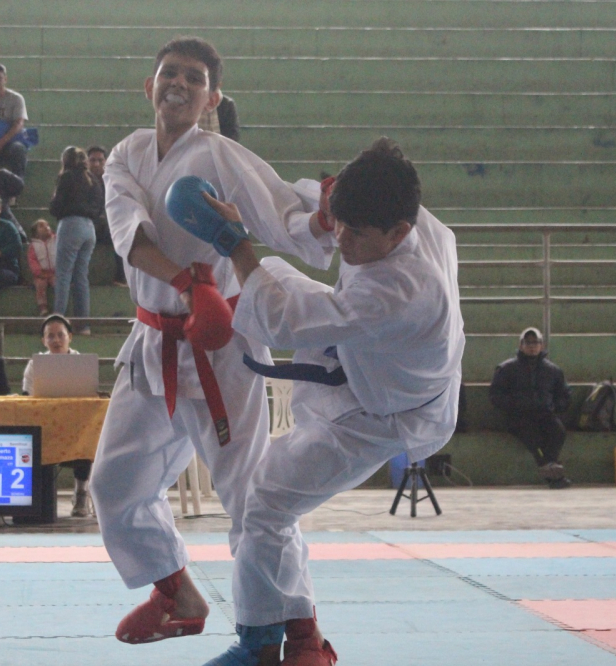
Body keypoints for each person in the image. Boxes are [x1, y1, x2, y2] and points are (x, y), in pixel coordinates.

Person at [173, 138, 465, 665]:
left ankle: (261, 645)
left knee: (265, 503)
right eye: (341, 222)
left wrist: (234, 242)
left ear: (401, 232)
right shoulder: (401, 214)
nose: (343, 240)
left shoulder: (400, 290)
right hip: (373, 370)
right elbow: (342, 210)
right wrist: (323, 201)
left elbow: (287, 321)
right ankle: (304, 640)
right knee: (273, 501)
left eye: (357, 232)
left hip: (385, 416)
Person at [87, 37, 327, 650]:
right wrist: (188, 285)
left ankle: (297, 630)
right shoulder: (125, 155)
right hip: (154, 340)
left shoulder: (221, 155)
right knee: (114, 484)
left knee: (252, 496)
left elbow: (279, 212)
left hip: (222, 348)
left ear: (211, 97)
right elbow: (129, 239)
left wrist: (320, 221)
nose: (179, 84)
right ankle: (176, 592)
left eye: (194, 79)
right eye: (168, 73)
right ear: (149, 86)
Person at [21, 314, 93, 516]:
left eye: (60, 335)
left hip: (74, 425)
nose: (56, 340)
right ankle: (39, 496)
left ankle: (81, 493)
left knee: (86, 435)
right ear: (43, 340)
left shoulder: (82, 363)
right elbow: (27, 395)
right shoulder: (35, 364)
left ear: (70, 336)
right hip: (43, 424)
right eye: (50, 336)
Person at [489, 327, 572, 489]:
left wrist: (554, 408)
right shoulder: (506, 369)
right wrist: (514, 406)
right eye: (528, 343)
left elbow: (565, 394)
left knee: (558, 432)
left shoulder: (553, 370)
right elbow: (495, 395)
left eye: (536, 342)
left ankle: (551, 469)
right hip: (519, 417)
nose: (532, 346)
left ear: (542, 345)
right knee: (535, 440)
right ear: (521, 346)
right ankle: (554, 474)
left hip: (545, 415)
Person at [50, 146, 102, 327]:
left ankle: (57, 321)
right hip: (90, 229)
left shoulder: (66, 177)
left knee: (63, 275)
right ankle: (84, 325)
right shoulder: (93, 180)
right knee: (81, 276)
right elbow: (99, 207)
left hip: (70, 224)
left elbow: (56, 207)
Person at [87, 144, 126, 286]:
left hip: (108, 228)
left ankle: (120, 277)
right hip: (88, 225)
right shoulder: (81, 181)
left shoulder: (112, 180)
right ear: (87, 162)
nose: (96, 164)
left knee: (122, 232)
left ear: (106, 161)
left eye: (100, 160)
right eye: (92, 160)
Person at [27, 218, 57, 316]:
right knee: (40, 285)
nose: (46, 227)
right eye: (41, 226)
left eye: (47, 225)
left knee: (58, 284)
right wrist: (39, 272)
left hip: (54, 272)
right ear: (35, 233)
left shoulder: (56, 240)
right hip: (41, 273)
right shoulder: (33, 246)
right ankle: (43, 307)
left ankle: (59, 307)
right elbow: (32, 261)